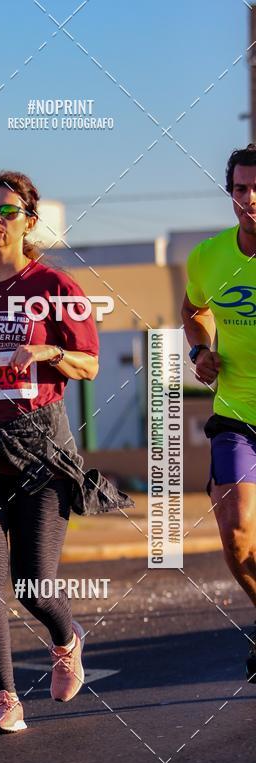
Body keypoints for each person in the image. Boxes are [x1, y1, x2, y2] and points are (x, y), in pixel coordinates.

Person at [0, 170, 134, 734]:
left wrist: (46, 349)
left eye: (7, 211)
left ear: (29, 220)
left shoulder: (55, 288)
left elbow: (89, 364)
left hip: (41, 450)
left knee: (33, 582)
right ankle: (5, 697)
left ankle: (67, 640)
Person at [182, 144, 256, 684]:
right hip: (236, 414)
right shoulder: (208, 257)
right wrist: (200, 350)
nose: (250, 199)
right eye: (240, 189)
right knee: (235, 536)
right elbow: (193, 310)